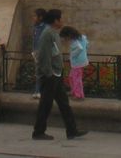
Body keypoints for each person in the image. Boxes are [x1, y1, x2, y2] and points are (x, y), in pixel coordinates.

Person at [32, 9, 87, 141]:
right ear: (55, 20)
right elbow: (44, 55)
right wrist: (48, 73)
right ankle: (38, 132)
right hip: (50, 75)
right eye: (60, 19)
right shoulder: (47, 34)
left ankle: (72, 130)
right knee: (46, 104)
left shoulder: (53, 33)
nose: (62, 21)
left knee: (63, 103)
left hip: (56, 73)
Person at [59, 26, 89, 99]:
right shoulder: (82, 37)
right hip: (81, 61)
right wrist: (84, 53)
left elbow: (79, 48)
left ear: (68, 35)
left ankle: (78, 95)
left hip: (77, 62)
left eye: (65, 37)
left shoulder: (74, 41)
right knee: (72, 77)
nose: (66, 40)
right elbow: (87, 44)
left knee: (76, 78)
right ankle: (74, 91)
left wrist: (72, 55)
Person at [31, 8, 47, 99]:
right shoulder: (36, 27)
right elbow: (34, 40)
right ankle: (37, 90)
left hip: (43, 53)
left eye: (35, 16)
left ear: (40, 17)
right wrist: (34, 51)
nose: (33, 18)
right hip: (36, 52)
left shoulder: (45, 27)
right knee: (38, 72)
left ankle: (41, 91)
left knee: (42, 73)